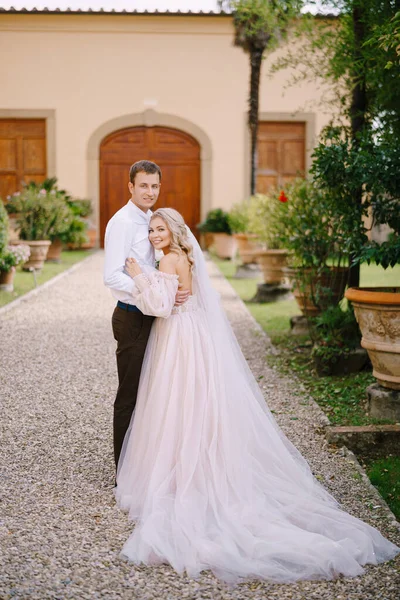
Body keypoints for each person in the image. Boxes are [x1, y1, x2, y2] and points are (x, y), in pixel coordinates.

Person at [114, 207, 399, 585]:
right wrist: (152, 277)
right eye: (151, 229)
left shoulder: (168, 259)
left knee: (175, 401)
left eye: (160, 228)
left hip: (178, 338)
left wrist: (137, 278)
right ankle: (192, 464)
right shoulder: (183, 257)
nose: (153, 235)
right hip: (193, 334)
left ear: (174, 232)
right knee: (194, 402)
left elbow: (163, 307)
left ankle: (182, 476)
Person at [103, 160, 189, 470]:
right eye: (143, 185)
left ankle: (147, 461)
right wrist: (151, 289)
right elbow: (112, 276)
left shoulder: (155, 219)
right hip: (132, 318)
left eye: (154, 186)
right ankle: (123, 470)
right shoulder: (122, 222)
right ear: (130, 186)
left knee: (154, 389)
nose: (149, 191)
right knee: (130, 393)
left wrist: (173, 288)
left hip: (157, 315)